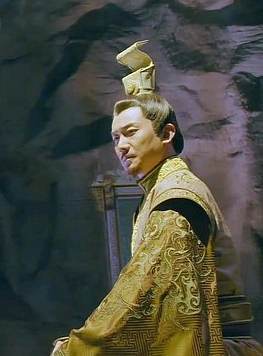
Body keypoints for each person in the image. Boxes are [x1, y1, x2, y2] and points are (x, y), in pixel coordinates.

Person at [51, 40, 263, 355]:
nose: (121, 146)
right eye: (115, 137)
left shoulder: (176, 196)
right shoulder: (161, 191)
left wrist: (81, 346)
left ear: (166, 134)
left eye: (131, 132)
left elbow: (144, 289)